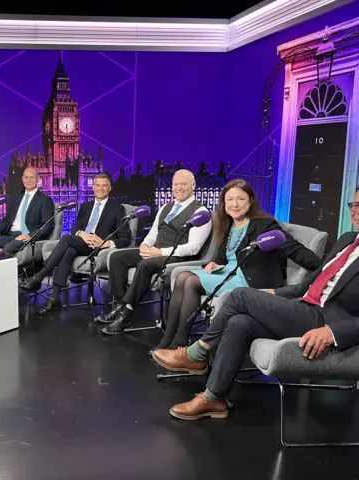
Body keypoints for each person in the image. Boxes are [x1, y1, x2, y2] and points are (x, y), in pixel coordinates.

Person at [151, 189, 359, 421]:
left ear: (250, 201)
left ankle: (197, 352)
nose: (356, 211)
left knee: (239, 296)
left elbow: (298, 254)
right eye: (355, 204)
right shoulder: (348, 239)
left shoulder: (264, 224)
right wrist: (272, 293)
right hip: (303, 305)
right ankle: (214, 398)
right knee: (240, 323)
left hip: (326, 321)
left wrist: (333, 332)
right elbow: (308, 285)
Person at [154, 179, 323, 352]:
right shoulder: (228, 225)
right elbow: (224, 258)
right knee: (183, 277)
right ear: (224, 203)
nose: (235, 204)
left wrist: (322, 272)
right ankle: (168, 338)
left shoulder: (265, 225)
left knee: (190, 281)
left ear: (250, 202)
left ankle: (179, 343)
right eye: (230, 199)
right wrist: (215, 264)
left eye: (241, 199)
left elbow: (296, 251)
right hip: (230, 273)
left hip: (251, 282)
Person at [96, 169, 212, 335]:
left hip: (178, 257)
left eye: (183, 184)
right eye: (175, 184)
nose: (178, 188)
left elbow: (194, 247)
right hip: (155, 250)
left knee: (145, 265)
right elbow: (153, 233)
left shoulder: (201, 212)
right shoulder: (166, 206)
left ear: (193, 186)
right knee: (116, 257)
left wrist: (160, 252)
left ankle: (126, 315)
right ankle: (120, 305)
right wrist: (144, 244)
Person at [19, 173, 131, 314]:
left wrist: (105, 243)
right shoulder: (85, 206)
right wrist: (81, 234)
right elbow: (75, 229)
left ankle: (39, 277)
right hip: (81, 243)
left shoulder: (117, 208)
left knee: (66, 239)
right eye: (97, 185)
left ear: (109, 188)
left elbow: (126, 238)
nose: (100, 188)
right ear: (93, 187)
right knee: (69, 251)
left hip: (99, 248)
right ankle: (54, 298)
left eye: (104, 185)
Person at [0, 167, 55, 255]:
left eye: (32, 177)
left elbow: (47, 226)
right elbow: (7, 220)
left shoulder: (45, 200)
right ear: (22, 179)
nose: (29, 180)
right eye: (26, 177)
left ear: (38, 179)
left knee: (8, 249)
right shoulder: (16, 198)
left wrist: (30, 236)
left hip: (25, 236)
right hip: (9, 235)